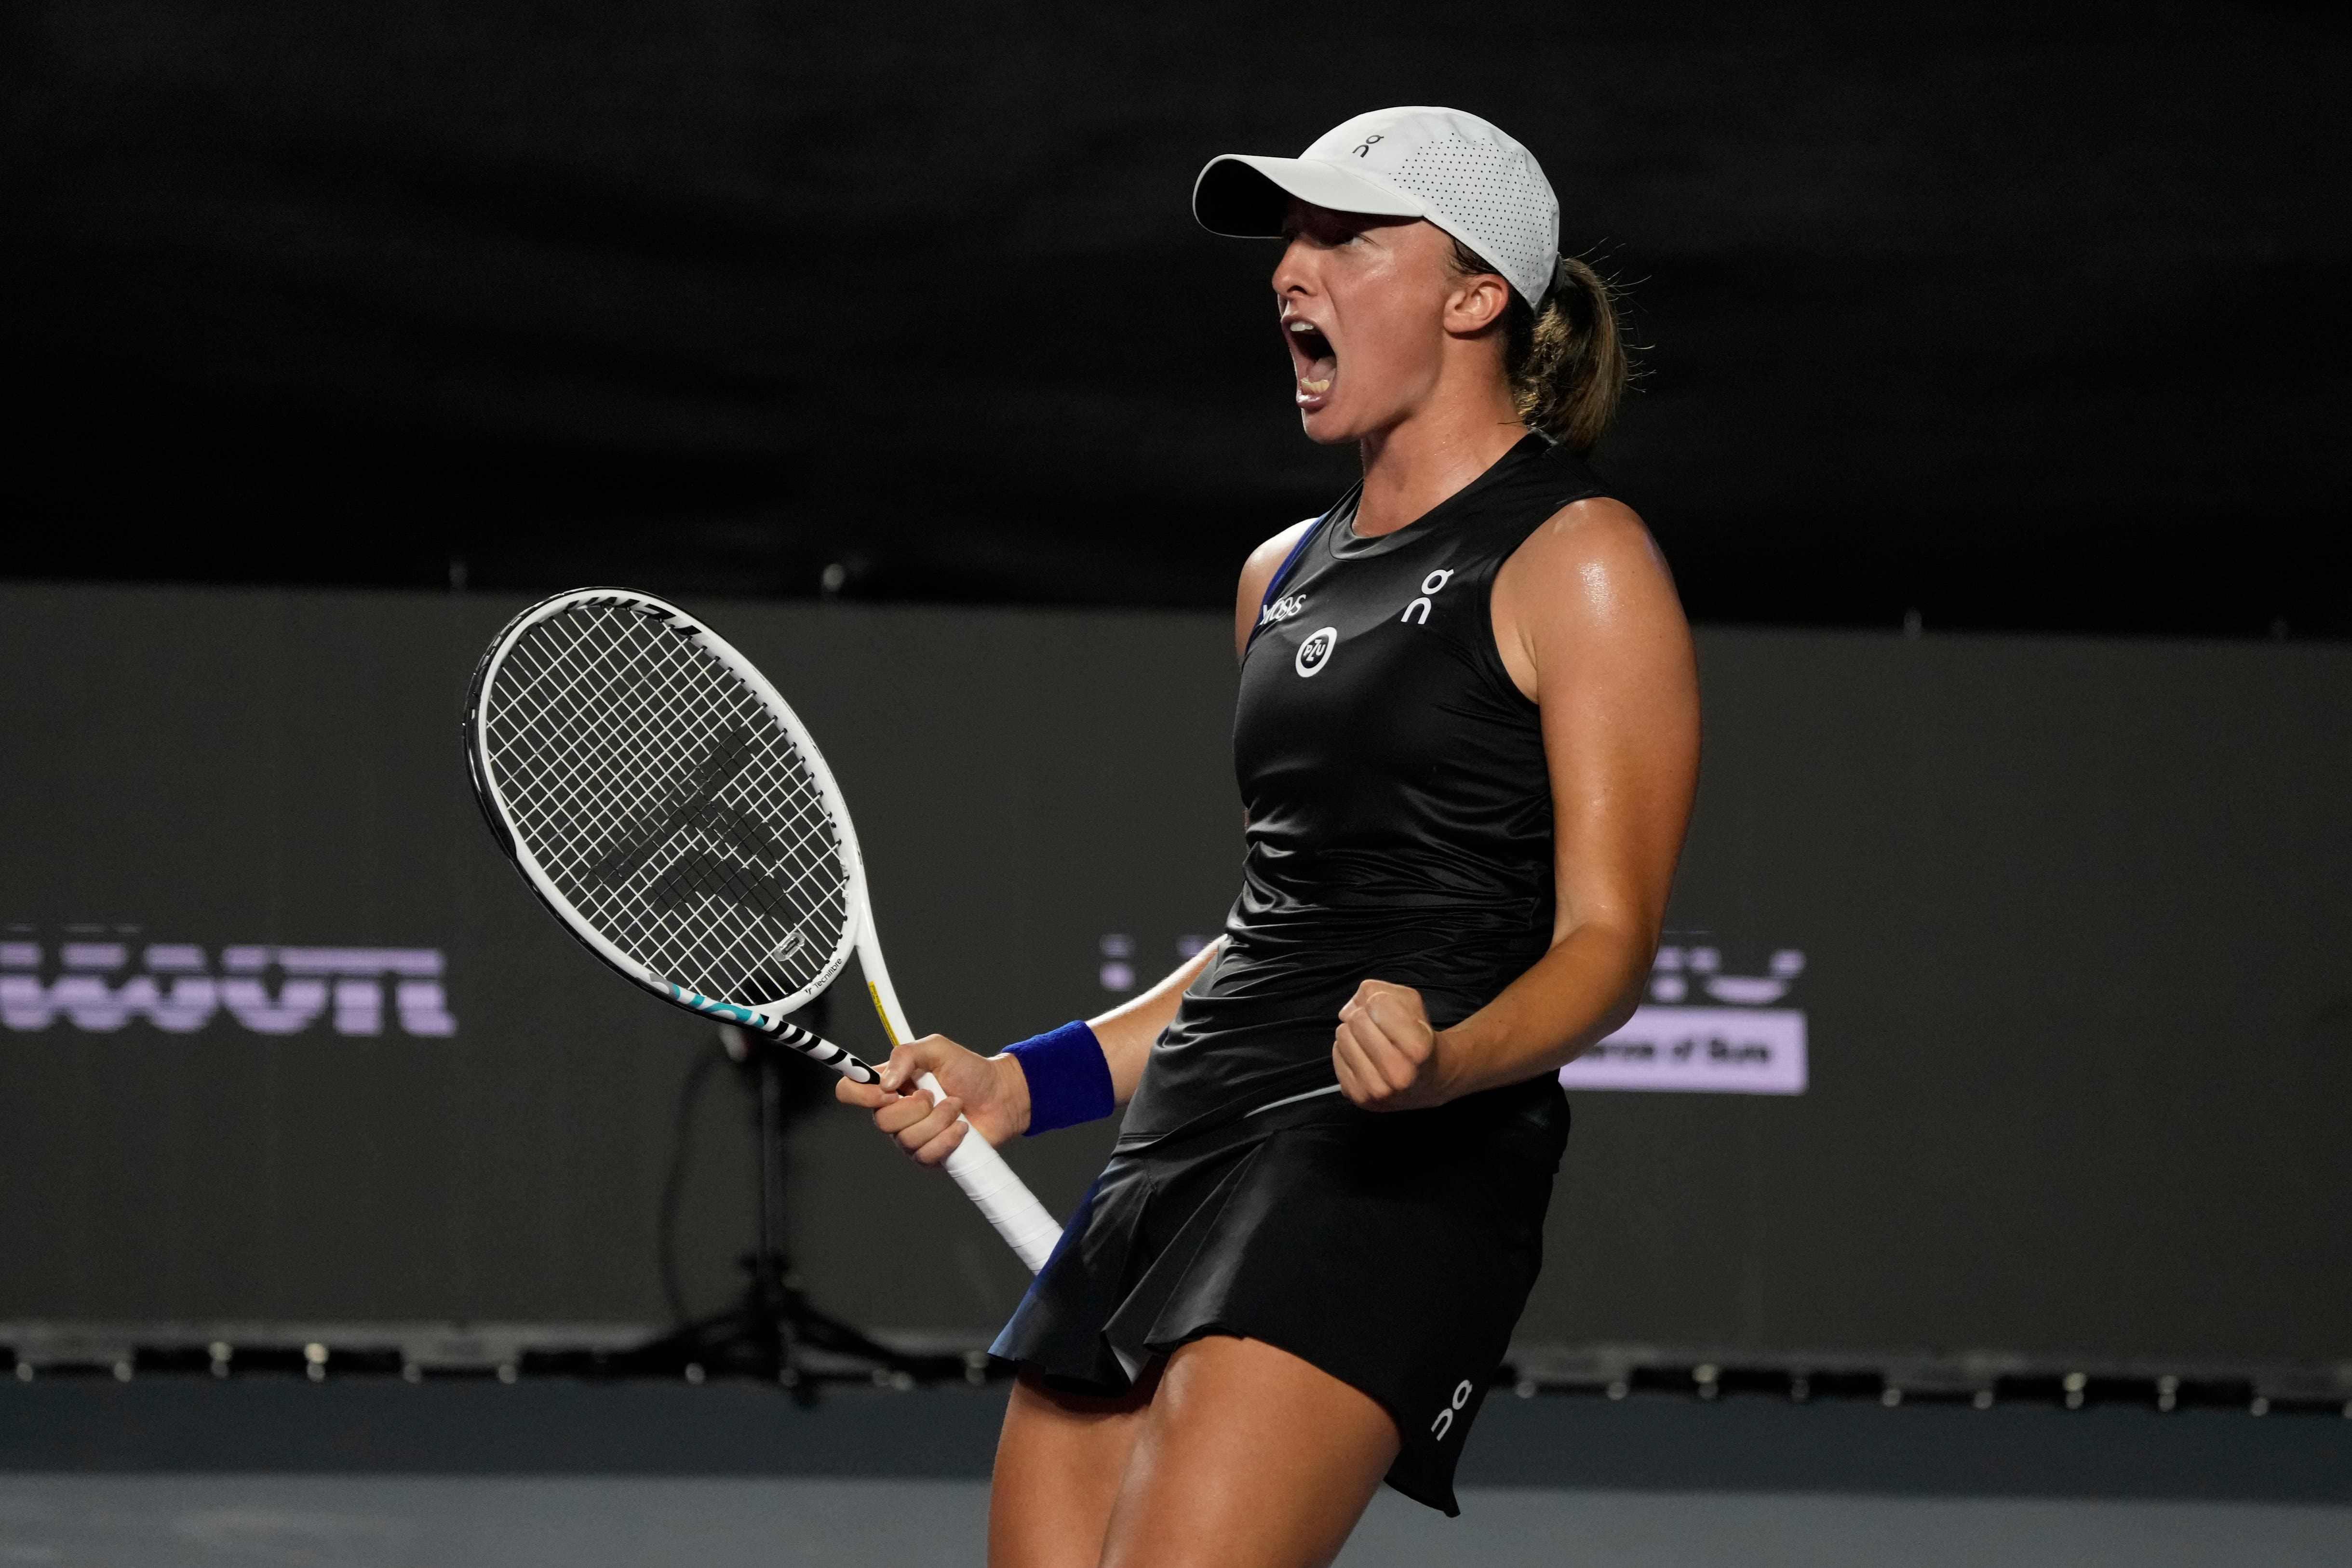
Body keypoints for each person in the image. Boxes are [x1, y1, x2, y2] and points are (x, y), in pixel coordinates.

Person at [837, 106, 1700, 1568]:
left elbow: (1609, 947)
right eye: (1288, 237)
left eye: (1346, 237)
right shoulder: (1277, 577)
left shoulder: (1582, 558)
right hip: (1188, 1134)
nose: (1292, 270)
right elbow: (1271, 930)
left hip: (1393, 1161)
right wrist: (1017, 1088)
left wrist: (1445, 1061)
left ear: (1477, 295)